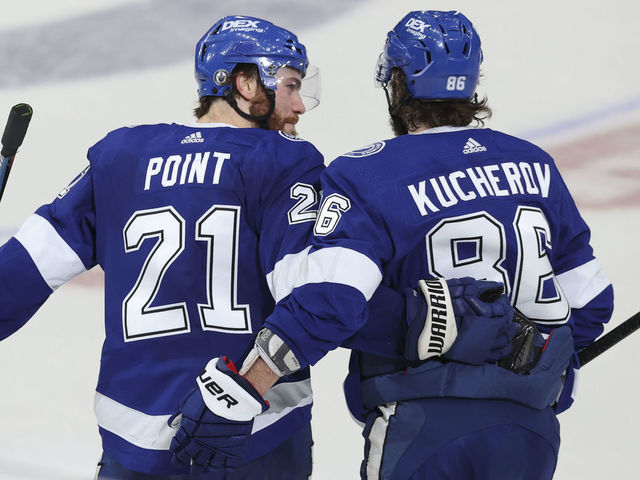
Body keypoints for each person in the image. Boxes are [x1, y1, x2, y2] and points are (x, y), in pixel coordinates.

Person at [193, 10, 615, 480]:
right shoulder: (534, 164)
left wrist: (248, 385)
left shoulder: (367, 173)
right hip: (529, 432)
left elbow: (332, 303)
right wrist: (539, 365)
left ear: (398, 83)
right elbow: (591, 303)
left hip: (419, 426)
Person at [0, 15, 323, 479]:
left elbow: (25, 268)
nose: (299, 105)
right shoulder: (285, 162)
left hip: (134, 445)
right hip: (254, 439)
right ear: (246, 83)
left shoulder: (121, 157)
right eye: (289, 85)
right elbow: (315, 299)